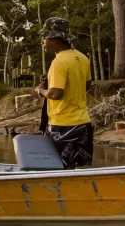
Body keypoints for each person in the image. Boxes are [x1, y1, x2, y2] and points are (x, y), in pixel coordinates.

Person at [35, 17, 94, 169]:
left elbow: (55, 94)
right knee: (78, 171)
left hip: (62, 125)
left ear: (56, 38)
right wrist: (48, 81)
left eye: (45, 37)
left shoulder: (59, 62)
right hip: (83, 124)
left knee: (54, 169)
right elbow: (86, 85)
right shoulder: (82, 58)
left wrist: (40, 91)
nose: (43, 41)